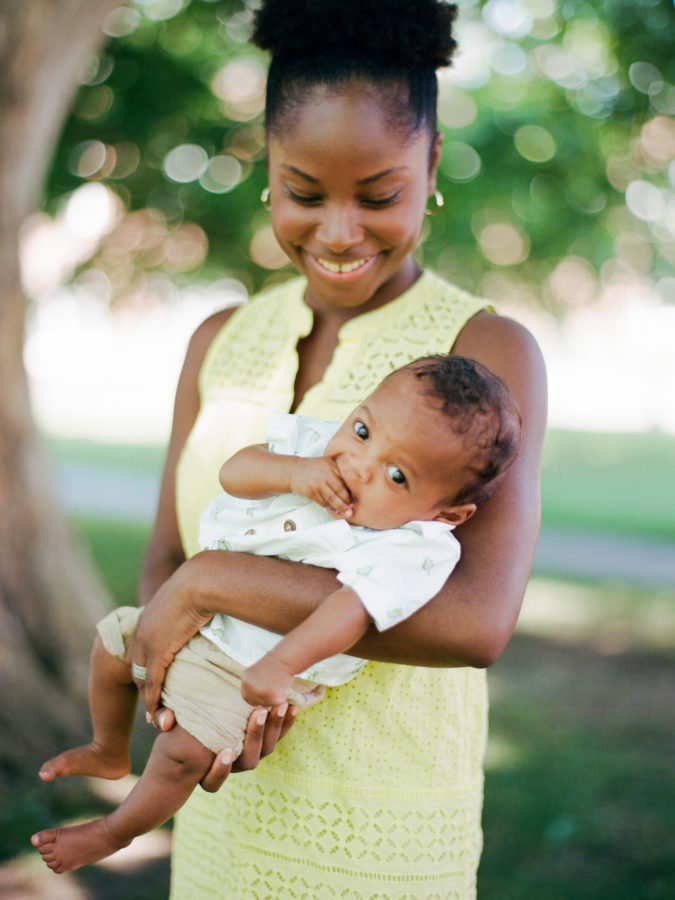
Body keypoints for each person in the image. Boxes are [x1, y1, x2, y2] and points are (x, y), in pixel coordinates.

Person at [38, 0, 547, 892]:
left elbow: (473, 622)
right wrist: (176, 680)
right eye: (305, 193)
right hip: (213, 785)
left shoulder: (484, 350)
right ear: (267, 176)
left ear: (429, 168)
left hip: (381, 819)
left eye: (378, 195)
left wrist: (214, 587)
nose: (339, 232)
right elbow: (168, 549)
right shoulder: (219, 337)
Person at [31, 354, 521, 874]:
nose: (359, 463)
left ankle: (113, 833)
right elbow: (234, 472)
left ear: (445, 513)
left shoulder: (413, 545)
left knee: (184, 756)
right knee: (110, 646)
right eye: (361, 430)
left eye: (396, 475)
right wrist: (293, 472)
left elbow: (349, 613)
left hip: (253, 662)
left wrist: (281, 665)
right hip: (195, 618)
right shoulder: (317, 450)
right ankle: (108, 748)